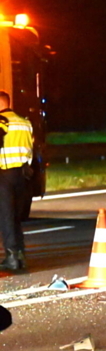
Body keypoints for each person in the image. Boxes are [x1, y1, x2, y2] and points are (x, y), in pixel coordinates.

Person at [0, 92, 33, 273]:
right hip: (21, 174)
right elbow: (30, 150)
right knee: (15, 217)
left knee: (5, 216)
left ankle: (12, 257)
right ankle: (20, 256)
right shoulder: (25, 123)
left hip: (3, 173)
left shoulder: (1, 121)